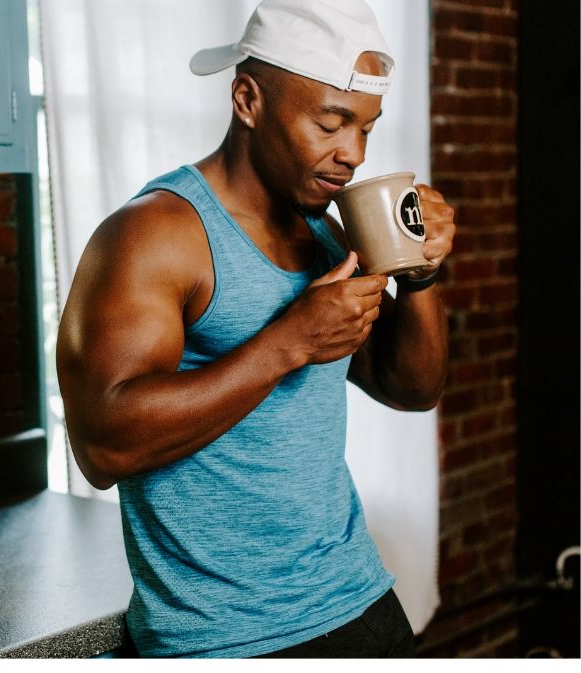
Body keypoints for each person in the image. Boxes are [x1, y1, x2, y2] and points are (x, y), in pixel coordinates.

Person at [55, 0, 456, 659]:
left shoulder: (322, 232)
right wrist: (288, 342)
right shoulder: (153, 236)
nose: (352, 153)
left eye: (366, 129)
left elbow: (410, 387)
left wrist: (418, 275)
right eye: (330, 123)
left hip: (358, 602)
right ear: (247, 98)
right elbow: (103, 446)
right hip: (224, 637)